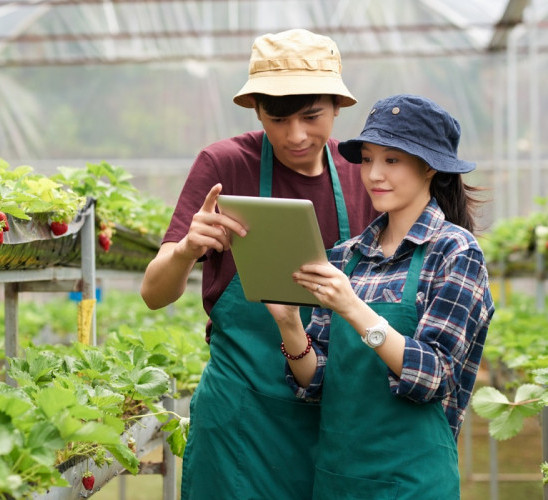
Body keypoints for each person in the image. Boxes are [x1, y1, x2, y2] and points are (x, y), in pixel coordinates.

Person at [141, 29, 378, 499]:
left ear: (337, 106)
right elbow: (154, 293)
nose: (296, 135)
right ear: (256, 110)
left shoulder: (362, 174)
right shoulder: (226, 164)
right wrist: (188, 249)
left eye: (312, 117)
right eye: (277, 117)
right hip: (240, 418)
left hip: (335, 410)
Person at [265, 94, 495, 499]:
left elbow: (431, 376)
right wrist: (289, 324)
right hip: (337, 479)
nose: (373, 174)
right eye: (368, 159)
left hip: (413, 483)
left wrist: (352, 307)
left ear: (428, 167)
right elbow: (315, 381)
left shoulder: (455, 253)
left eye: (391, 160)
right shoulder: (346, 256)